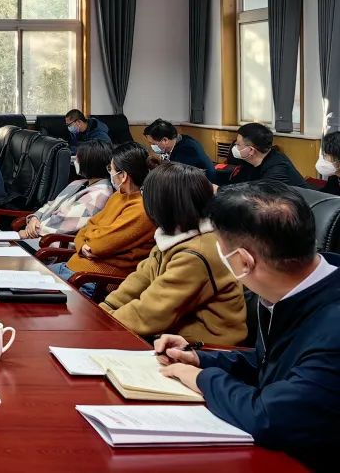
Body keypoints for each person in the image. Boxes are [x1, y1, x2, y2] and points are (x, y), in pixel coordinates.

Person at [157, 182, 340, 469]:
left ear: (243, 261)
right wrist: (200, 359)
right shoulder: (298, 290)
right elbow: (273, 363)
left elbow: (269, 418)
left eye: (221, 249)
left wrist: (200, 378)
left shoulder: (332, 326)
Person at [99, 162, 246, 345]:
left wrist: (104, 323)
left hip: (203, 348)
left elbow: (151, 313)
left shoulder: (196, 254)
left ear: (161, 204)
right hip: (171, 336)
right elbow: (139, 279)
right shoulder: (174, 235)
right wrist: (103, 311)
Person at [48, 142, 155, 296]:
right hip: (73, 268)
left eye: (111, 169)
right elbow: (88, 226)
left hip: (94, 280)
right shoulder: (118, 196)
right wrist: (82, 243)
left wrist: (89, 238)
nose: (109, 173)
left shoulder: (140, 209)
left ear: (123, 175)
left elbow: (99, 245)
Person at [20, 141, 114, 238]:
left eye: (78, 158)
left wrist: (30, 231)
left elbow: (63, 223)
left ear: (89, 163)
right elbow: (52, 204)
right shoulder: (79, 183)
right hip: (39, 233)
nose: (75, 161)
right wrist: (34, 218)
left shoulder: (100, 195)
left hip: (52, 242)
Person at [221, 123, 307, 188]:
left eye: (238, 144)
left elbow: (258, 198)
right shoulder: (249, 161)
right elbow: (238, 184)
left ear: (251, 150)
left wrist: (219, 190)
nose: (235, 146)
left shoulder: (276, 169)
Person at [142, 119, 216, 181]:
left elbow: (175, 179)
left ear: (165, 140)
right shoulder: (179, 140)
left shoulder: (187, 150)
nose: (152, 146)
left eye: (153, 143)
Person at [314, 130, 340, 195]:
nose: (324, 159)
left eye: (327, 155)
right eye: (325, 154)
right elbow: (326, 192)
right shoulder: (334, 177)